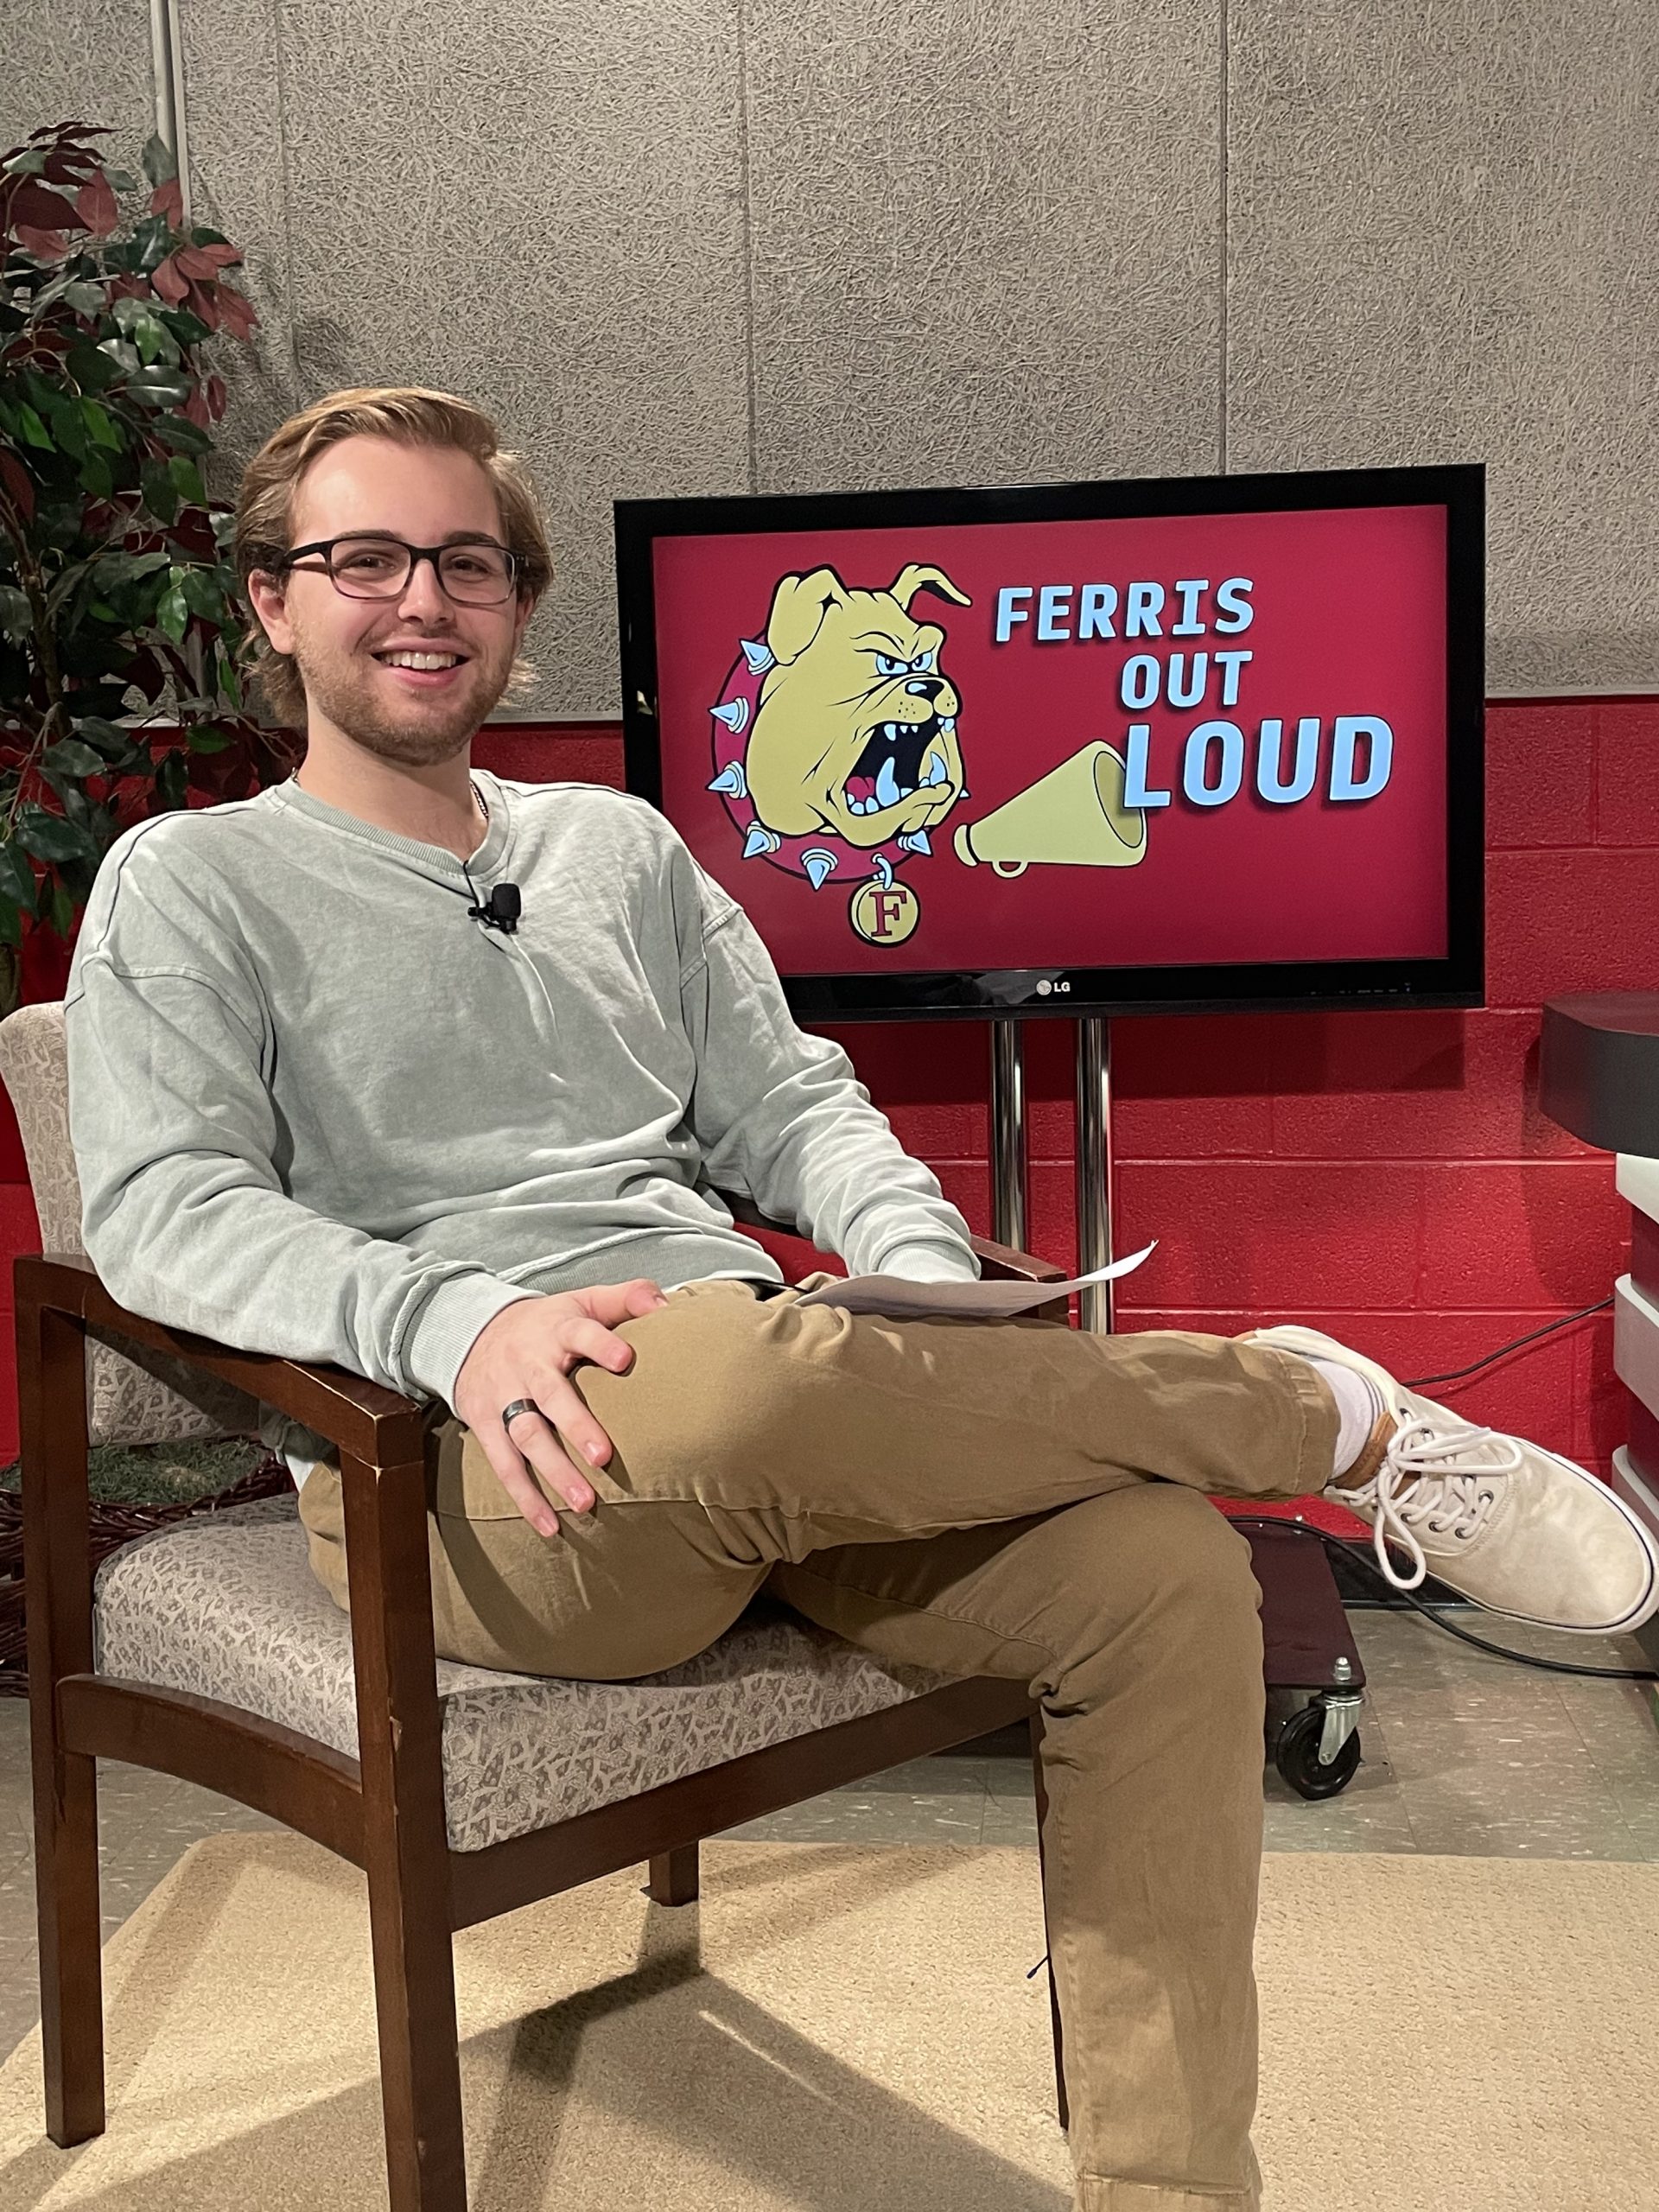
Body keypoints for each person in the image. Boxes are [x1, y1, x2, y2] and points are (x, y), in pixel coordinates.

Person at [64, 386, 1659, 2212]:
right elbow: (166, 1212)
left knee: (1161, 1572)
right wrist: (452, 1319)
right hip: (478, 1462)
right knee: (738, 1366)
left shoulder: (619, 849)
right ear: (273, 601)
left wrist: (914, 1267)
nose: (420, 597)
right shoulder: (193, 881)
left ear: (517, 599)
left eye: (466, 560)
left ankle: (1171, 2187)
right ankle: (1319, 1411)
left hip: (773, 1411)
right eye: (364, 558)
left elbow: (794, 1103)